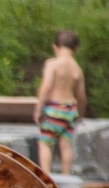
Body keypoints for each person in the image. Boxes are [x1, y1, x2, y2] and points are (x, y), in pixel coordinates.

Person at [34, 30, 87, 176]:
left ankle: (46, 177)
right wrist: (80, 115)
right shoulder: (77, 70)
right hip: (69, 109)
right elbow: (82, 97)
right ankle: (66, 176)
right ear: (76, 49)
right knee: (65, 145)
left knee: (45, 142)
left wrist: (38, 109)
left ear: (55, 47)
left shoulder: (52, 64)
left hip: (54, 108)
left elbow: (46, 87)